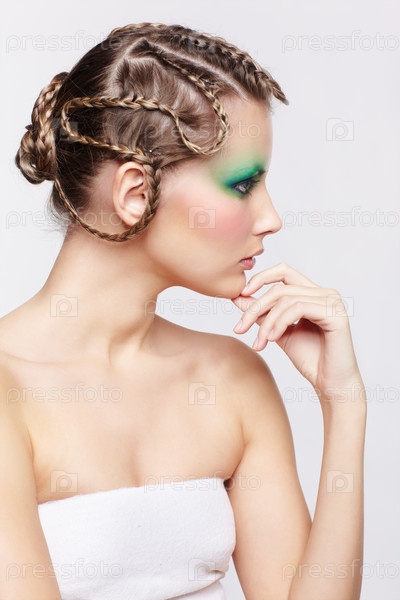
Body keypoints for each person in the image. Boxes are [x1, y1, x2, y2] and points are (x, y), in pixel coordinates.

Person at [0, 21, 366, 600]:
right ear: (136, 193)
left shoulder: (232, 378)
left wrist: (343, 404)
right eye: (243, 185)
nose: (271, 219)